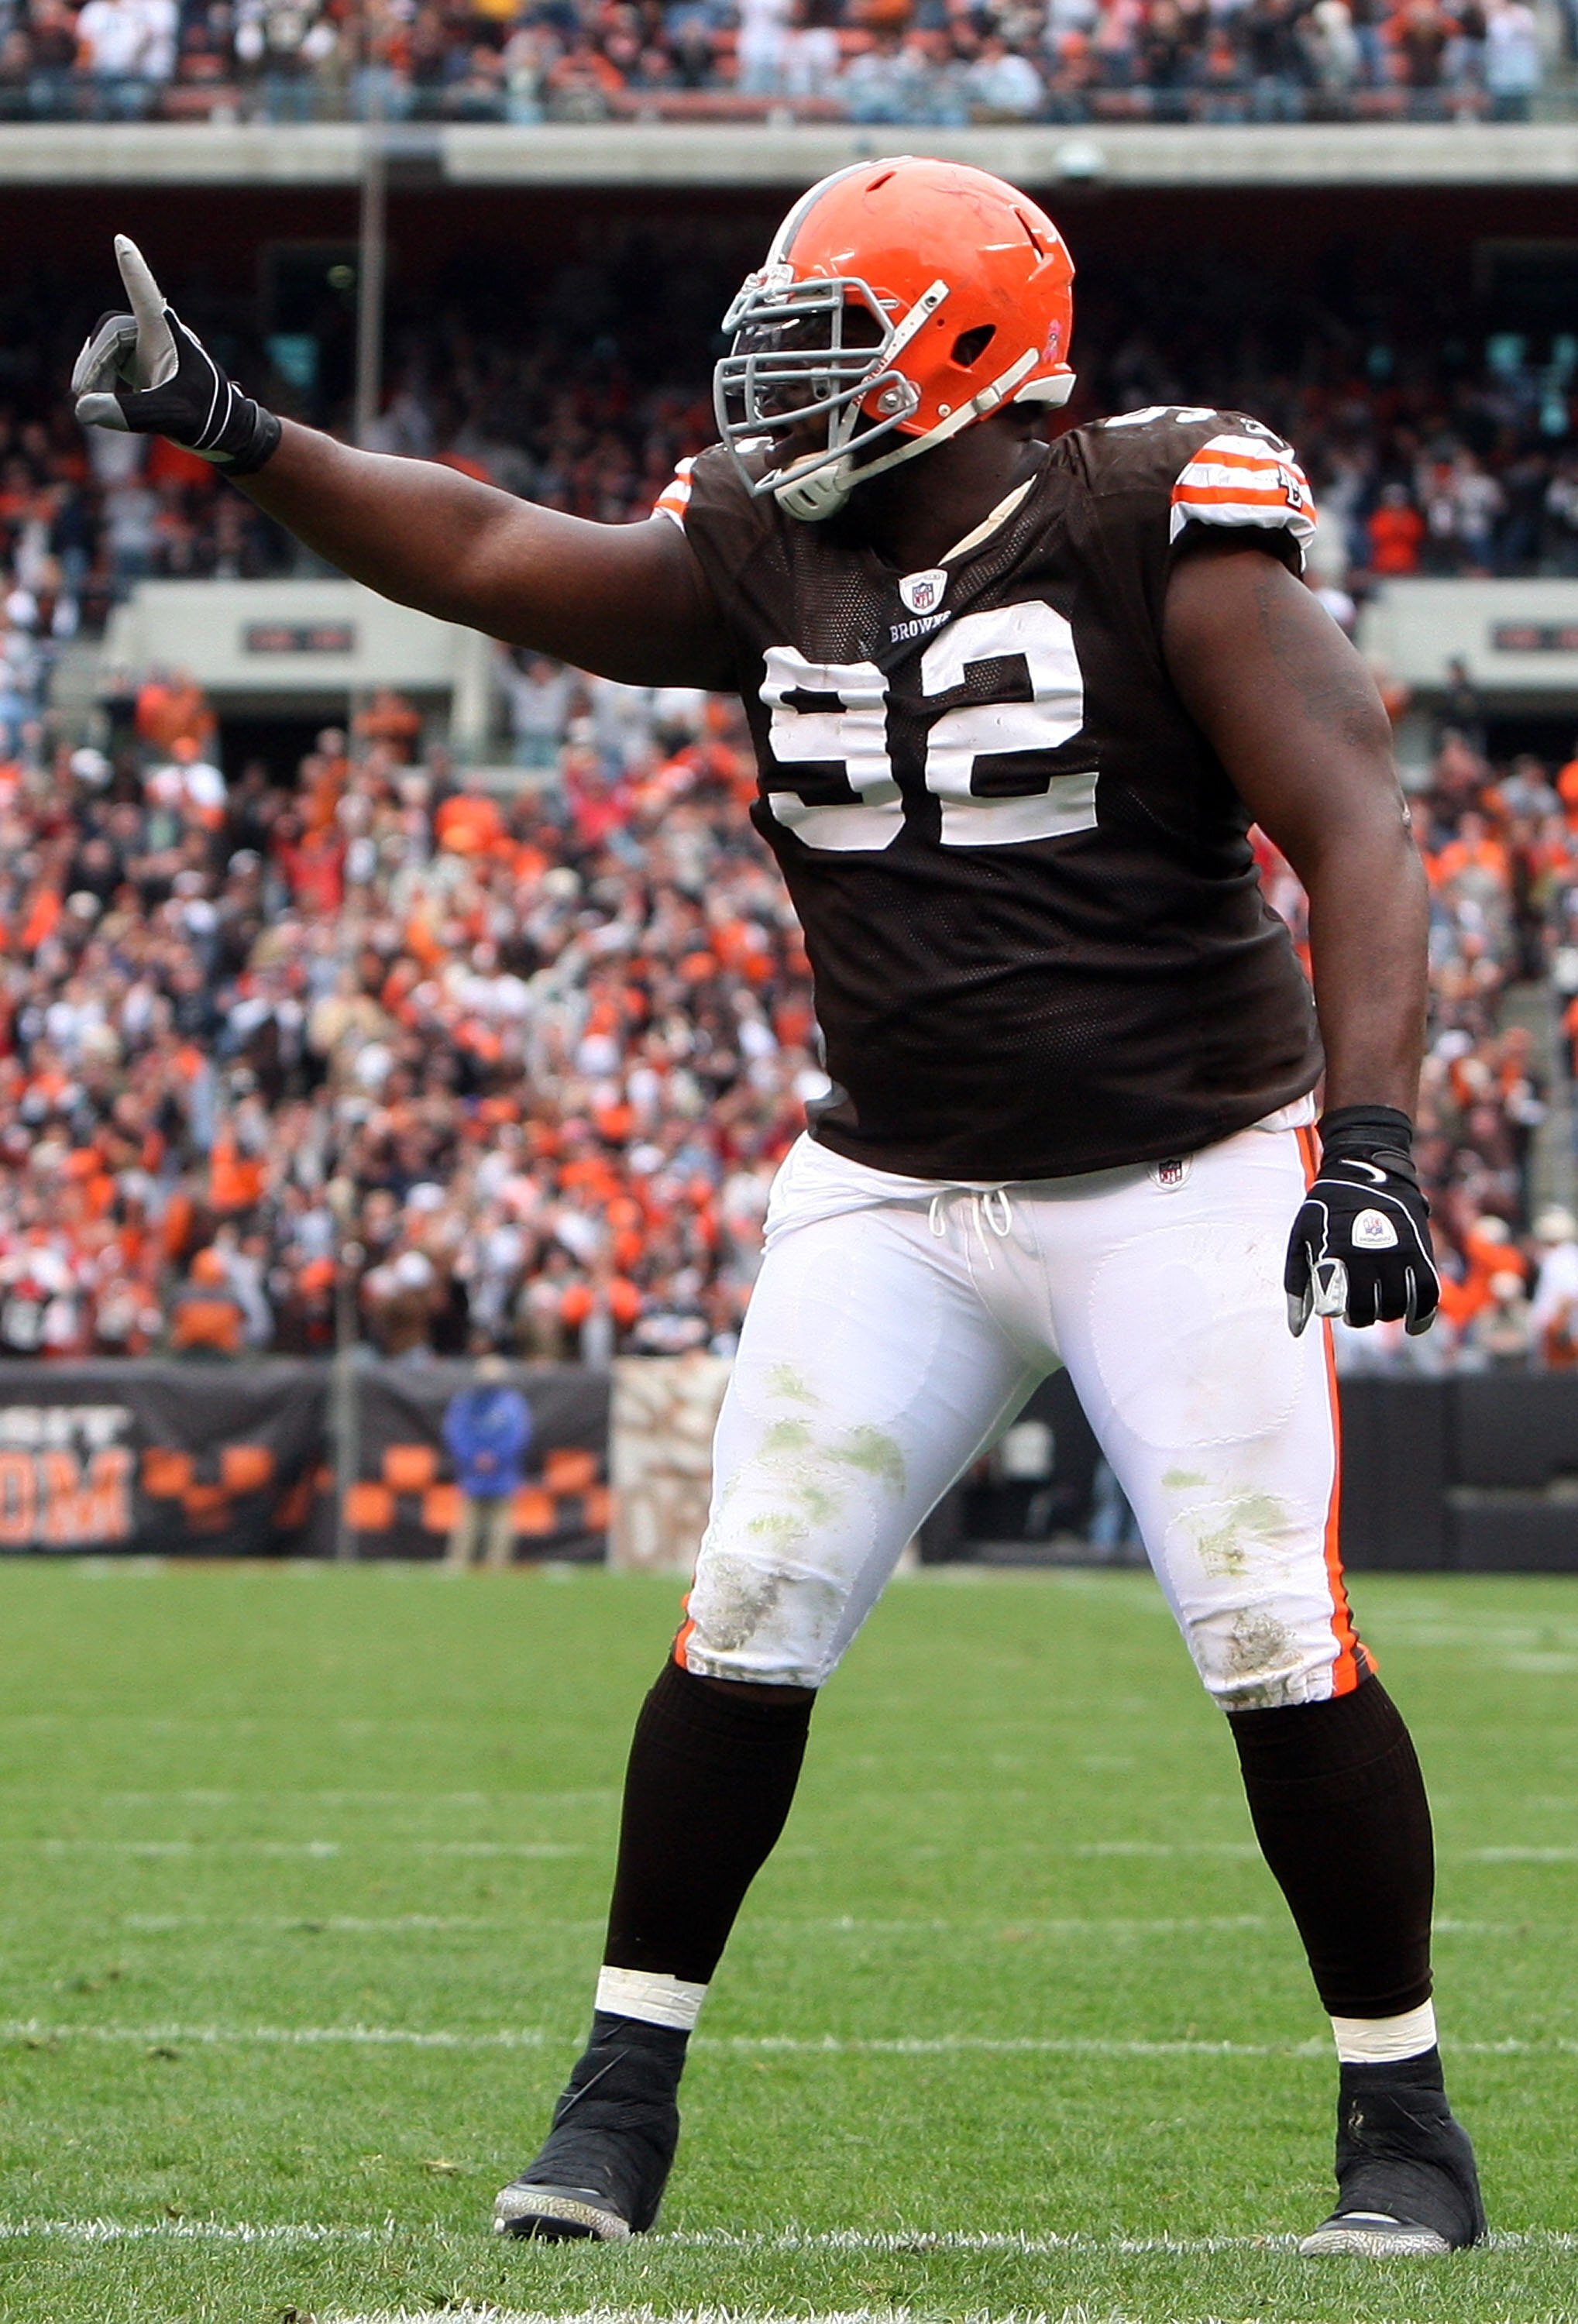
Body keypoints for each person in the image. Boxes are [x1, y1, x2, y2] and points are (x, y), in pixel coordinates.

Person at [73, 166, 1480, 2260]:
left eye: (838, 338)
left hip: (1180, 1168)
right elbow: (483, 552)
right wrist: (235, 430)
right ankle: (615, 2099)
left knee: (1274, 1631)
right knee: (749, 1604)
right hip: (889, 1181)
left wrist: (1366, 1142)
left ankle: (1402, 2128)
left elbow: (1353, 825)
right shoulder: (759, 551)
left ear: (983, 355)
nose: (782, 387)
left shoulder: (1145, 516)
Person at [442, 1355, 534, 1568]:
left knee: (501, 1523)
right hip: (472, 1472)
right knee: (468, 1522)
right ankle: (459, 1563)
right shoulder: (465, 1402)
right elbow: (456, 1434)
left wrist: (495, 1457)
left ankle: (497, 1566)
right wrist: (474, 1457)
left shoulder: (511, 1403)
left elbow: (518, 1436)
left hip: (502, 1472)